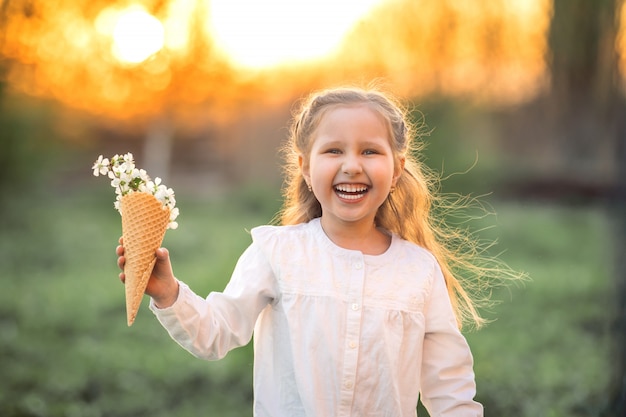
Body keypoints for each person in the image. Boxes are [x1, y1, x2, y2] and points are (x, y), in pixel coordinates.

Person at [116, 86, 511, 416]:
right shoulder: (277, 252)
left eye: (370, 151)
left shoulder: (419, 270)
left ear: (396, 168)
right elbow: (216, 333)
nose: (352, 165)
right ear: (305, 167)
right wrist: (169, 294)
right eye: (334, 151)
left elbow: (450, 389)